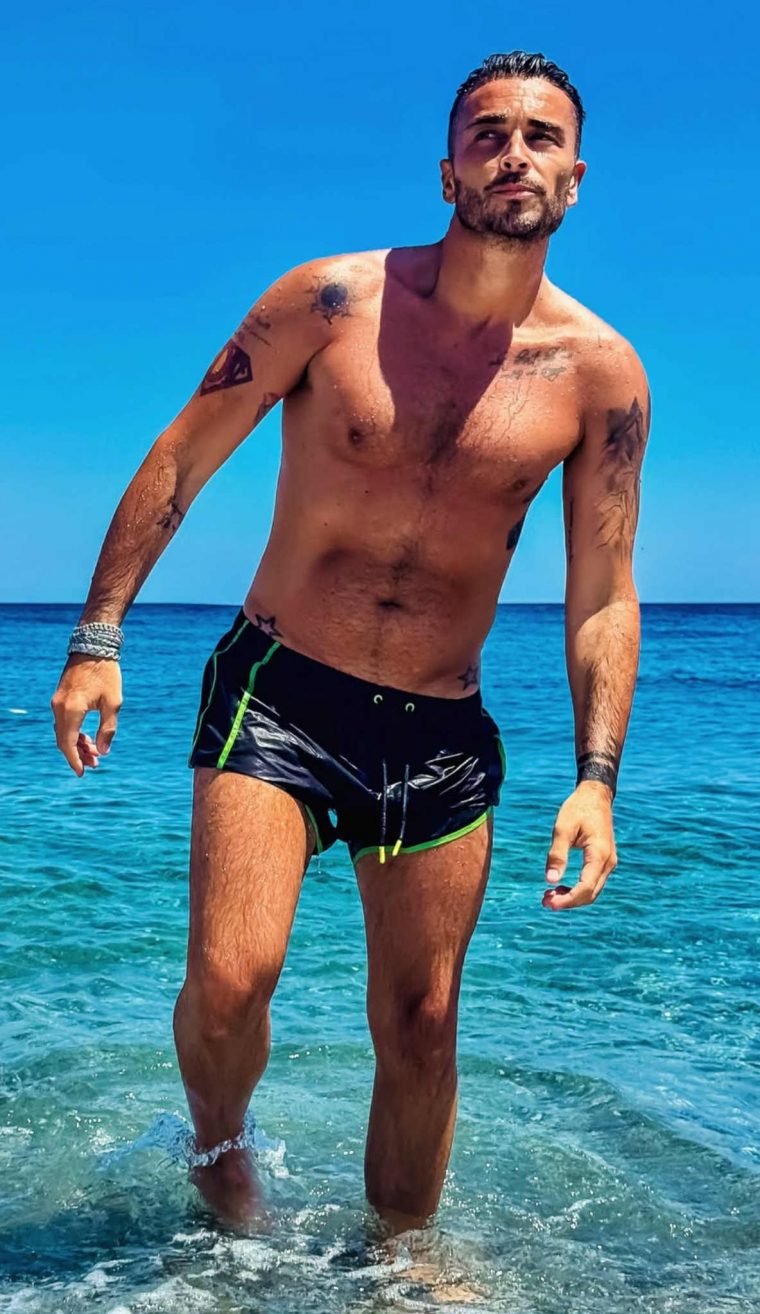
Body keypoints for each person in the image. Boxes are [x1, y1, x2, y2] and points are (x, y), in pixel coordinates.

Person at [51, 50, 650, 1235]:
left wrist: (596, 779)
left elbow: (602, 590)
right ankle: (222, 1160)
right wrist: (97, 636)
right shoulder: (328, 303)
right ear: (447, 169)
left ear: (575, 177)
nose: (513, 154)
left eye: (540, 137)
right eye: (487, 134)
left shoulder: (600, 376)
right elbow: (182, 456)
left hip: (440, 728)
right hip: (279, 691)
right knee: (230, 982)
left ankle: (401, 1260)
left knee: (423, 1026)